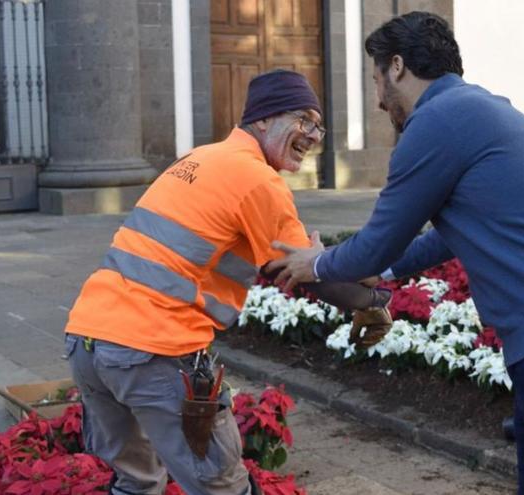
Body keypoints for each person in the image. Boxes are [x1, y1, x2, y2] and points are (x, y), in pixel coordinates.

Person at [267, 12, 524, 494]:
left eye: (376, 80)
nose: (378, 100)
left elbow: (378, 240)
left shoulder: (436, 123)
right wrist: (383, 269)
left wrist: (316, 263)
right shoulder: (477, 111)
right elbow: (447, 236)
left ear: (397, 66)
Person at [62, 70, 390, 495]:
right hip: (152, 349)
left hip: (87, 340)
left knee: (136, 482)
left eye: (318, 126)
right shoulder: (257, 179)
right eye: (304, 120)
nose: (313, 135)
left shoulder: (199, 158)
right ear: (263, 119)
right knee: (222, 487)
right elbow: (310, 273)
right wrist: (372, 300)